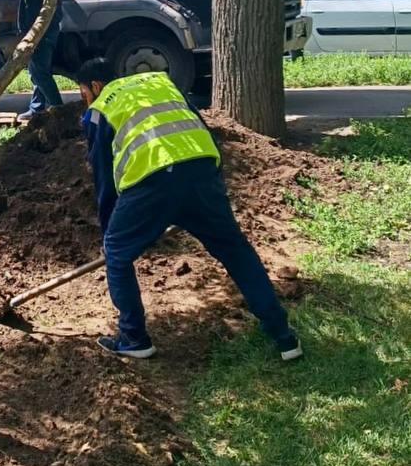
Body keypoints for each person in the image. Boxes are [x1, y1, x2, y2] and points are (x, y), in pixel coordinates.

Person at [75, 58, 302, 362]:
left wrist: (111, 232)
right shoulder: (159, 83)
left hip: (151, 182)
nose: (84, 102)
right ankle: (283, 335)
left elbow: (104, 181)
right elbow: (199, 127)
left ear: (95, 86)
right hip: (202, 171)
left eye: (82, 94)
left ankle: (133, 338)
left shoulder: (99, 111)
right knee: (235, 250)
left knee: (117, 252)